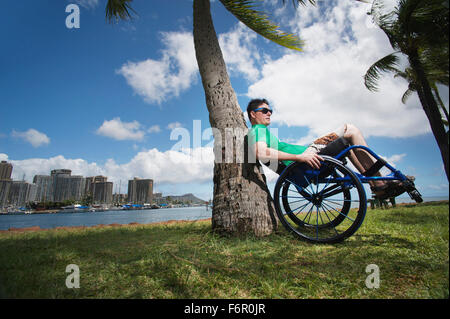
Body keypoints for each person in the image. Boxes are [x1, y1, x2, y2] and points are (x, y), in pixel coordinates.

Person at [246, 98, 409, 200]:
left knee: (347, 145)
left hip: (306, 160)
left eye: (270, 111)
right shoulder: (257, 130)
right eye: (265, 111)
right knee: (349, 129)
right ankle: (379, 183)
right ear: (253, 114)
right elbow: (261, 152)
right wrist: (300, 157)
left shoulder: (263, 131)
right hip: (307, 158)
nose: (269, 113)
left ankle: (377, 184)